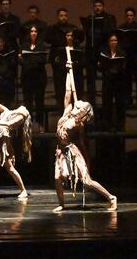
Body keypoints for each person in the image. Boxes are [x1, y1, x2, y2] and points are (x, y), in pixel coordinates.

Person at [54, 82, 117, 212]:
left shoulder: (79, 124)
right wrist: (68, 73)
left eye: (81, 106)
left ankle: (111, 198)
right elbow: (68, 92)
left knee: (87, 181)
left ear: (82, 113)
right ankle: (61, 204)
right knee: (57, 178)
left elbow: (82, 143)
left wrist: (86, 159)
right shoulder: (67, 112)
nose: (78, 103)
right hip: (61, 151)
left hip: (72, 152)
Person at [81, 0, 117, 107]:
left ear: (103, 7)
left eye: (100, 5)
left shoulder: (109, 18)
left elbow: (112, 32)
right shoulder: (89, 18)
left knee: (107, 77)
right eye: (95, 6)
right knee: (90, 79)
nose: (97, 8)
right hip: (91, 52)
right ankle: (91, 103)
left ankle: (107, 103)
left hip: (104, 50)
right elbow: (85, 34)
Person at [47, 8, 85, 107]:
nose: (63, 17)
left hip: (72, 60)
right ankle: (61, 106)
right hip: (58, 59)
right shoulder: (53, 28)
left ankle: (75, 106)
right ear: (57, 17)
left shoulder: (72, 28)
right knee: (60, 84)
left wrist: (81, 31)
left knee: (75, 84)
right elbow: (47, 39)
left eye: (65, 15)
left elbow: (80, 39)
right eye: (61, 15)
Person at [19, 26, 49, 131]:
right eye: (31, 31)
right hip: (27, 78)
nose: (33, 33)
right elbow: (21, 61)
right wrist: (32, 60)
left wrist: (29, 60)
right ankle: (29, 126)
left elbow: (43, 60)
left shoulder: (42, 46)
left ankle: (40, 125)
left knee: (39, 102)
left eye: (35, 31)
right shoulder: (24, 45)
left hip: (39, 78)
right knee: (28, 103)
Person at [117, 7, 137, 106]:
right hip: (126, 57)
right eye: (127, 15)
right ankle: (128, 100)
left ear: (134, 16)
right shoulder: (121, 28)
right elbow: (119, 43)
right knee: (127, 80)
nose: (129, 17)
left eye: (131, 15)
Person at [98, 33, 127, 130]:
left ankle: (120, 125)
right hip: (108, 81)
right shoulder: (104, 53)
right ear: (108, 42)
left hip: (119, 81)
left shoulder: (122, 53)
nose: (113, 42)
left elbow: (124, 67)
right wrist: (100, 65)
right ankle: (108, 125)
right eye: (111, 41)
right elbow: (101, 68)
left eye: (115, 40)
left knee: (119, 104)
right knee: (107, 104)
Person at [50, 29, 85, 110]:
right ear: (65, 37)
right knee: (64, 96)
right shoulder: (60, 49)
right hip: (63, 76)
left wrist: (74, 64)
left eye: (71, 36)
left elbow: (83, 62)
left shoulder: (79, 49)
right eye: (68, 35)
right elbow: (56, 63)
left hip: (76, 76)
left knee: (76, 96)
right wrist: (64, 65)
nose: (70, 37)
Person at [0, 35, 18, 109]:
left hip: (8, 81)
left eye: (2, 42)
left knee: (8, 103)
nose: (0, 44)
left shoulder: (10, 52)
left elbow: (13, 66)